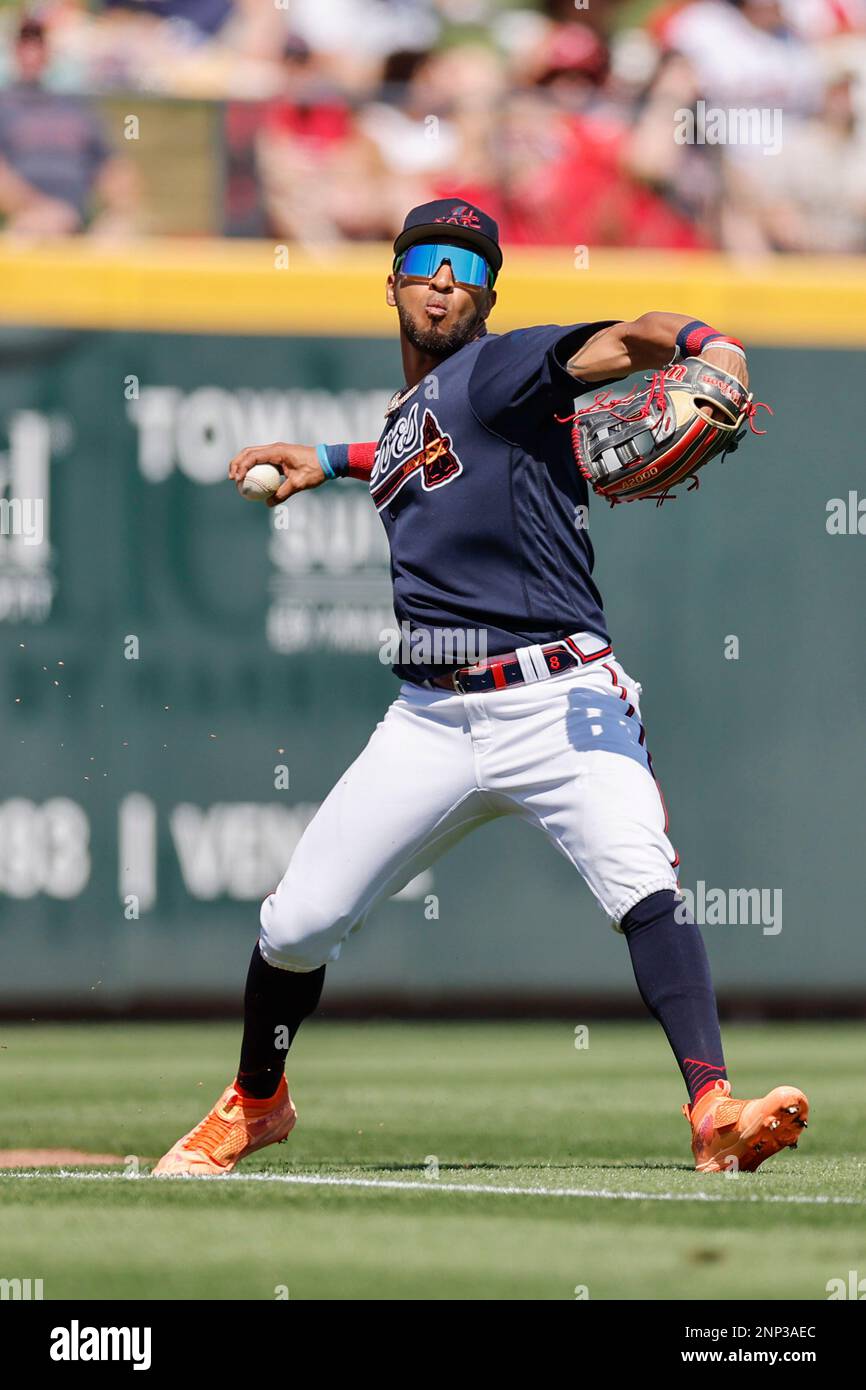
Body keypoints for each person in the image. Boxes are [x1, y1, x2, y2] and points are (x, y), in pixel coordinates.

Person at [154, 198, 808, 1178]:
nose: (444, 276)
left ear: (487, 293)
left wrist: (709, 344)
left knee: (645, 883)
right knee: (294, 924)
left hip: (560, 697)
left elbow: (631, 338)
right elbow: (415, 452)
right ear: (392, 281)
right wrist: (327, 460)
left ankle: (712, 1107)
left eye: (466, 264)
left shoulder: (502, 367)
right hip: (430, 718)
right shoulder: (416, 414)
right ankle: (257, 1102)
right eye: (425, 258)